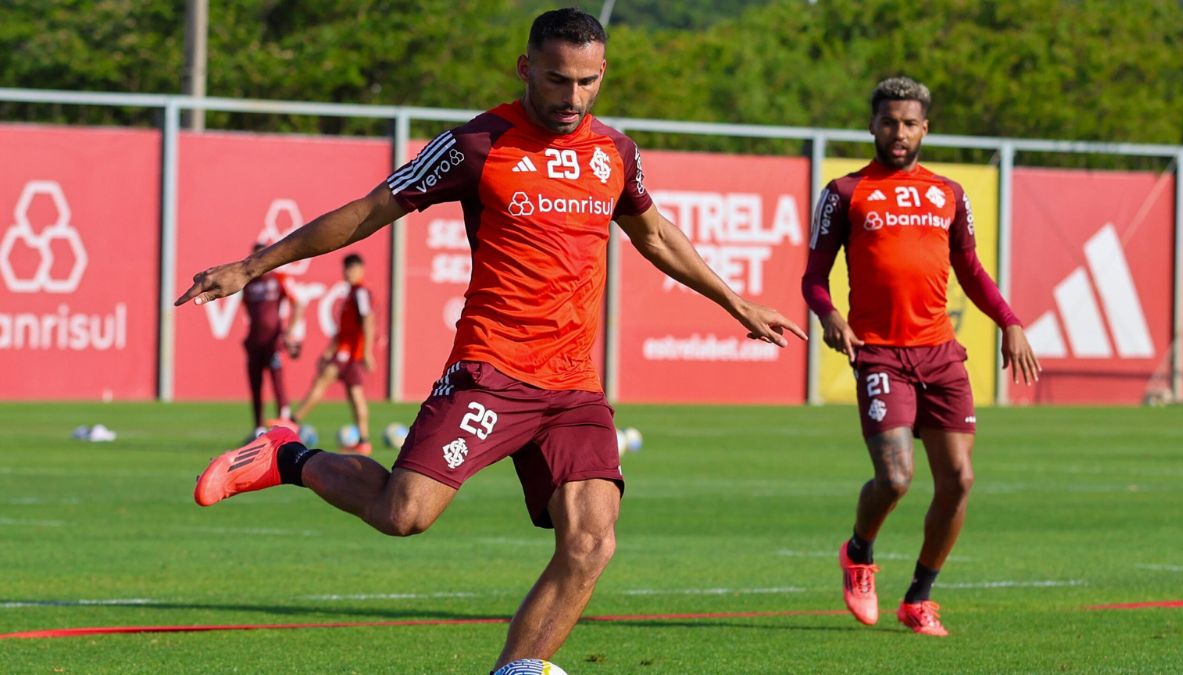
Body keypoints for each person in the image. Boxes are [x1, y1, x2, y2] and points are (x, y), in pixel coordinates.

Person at [176, 8, 804, 669]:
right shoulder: (477, 143)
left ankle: (517, 669)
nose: (573, 98)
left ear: (603, 72)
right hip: (492, 370)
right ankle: (288, 456)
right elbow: (369, 209)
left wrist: (734, 301)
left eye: (588, 82)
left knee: (591, 542)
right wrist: (252, 266)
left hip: (573, 387)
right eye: (559, 80)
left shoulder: (616, 153)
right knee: (404, 513)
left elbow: (653, 233)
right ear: (526, 67)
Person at [803, 76, 1041, 636]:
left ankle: (919, 597)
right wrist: (830, 316)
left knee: (958, 480)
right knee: (895, 478)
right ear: (872, 125)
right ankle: (859, 554)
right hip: (881, 354)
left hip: (940, 356)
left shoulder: (948, 194)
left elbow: (972, 271)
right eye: (889, 122)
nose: (899, 132)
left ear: (925, 128)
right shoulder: (845, 192)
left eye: (910, 123)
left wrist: (1009, 321)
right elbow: (814, 275)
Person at [290, 253, 376, 455]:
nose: (348, 272)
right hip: (344, 351)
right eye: (346, 268)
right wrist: (329, 350)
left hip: (350, 353)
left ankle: (292, 423)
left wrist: (367, 353)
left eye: (352, 268)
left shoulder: (361, 292)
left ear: (360, 270)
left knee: (323, 381)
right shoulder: (352, 293)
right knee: (355, 395)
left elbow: (368, 322)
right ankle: (363, 441)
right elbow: (344, 329)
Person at [240, 242, 303, 437]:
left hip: (273, 341)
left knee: (277, 380)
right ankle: (258, 427)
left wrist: (290, 332)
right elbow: (249, 311)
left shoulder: (279, 279)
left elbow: (298, 303)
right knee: (255, 383)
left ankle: (285, 425)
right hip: (254, 341)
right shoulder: (248, 284)